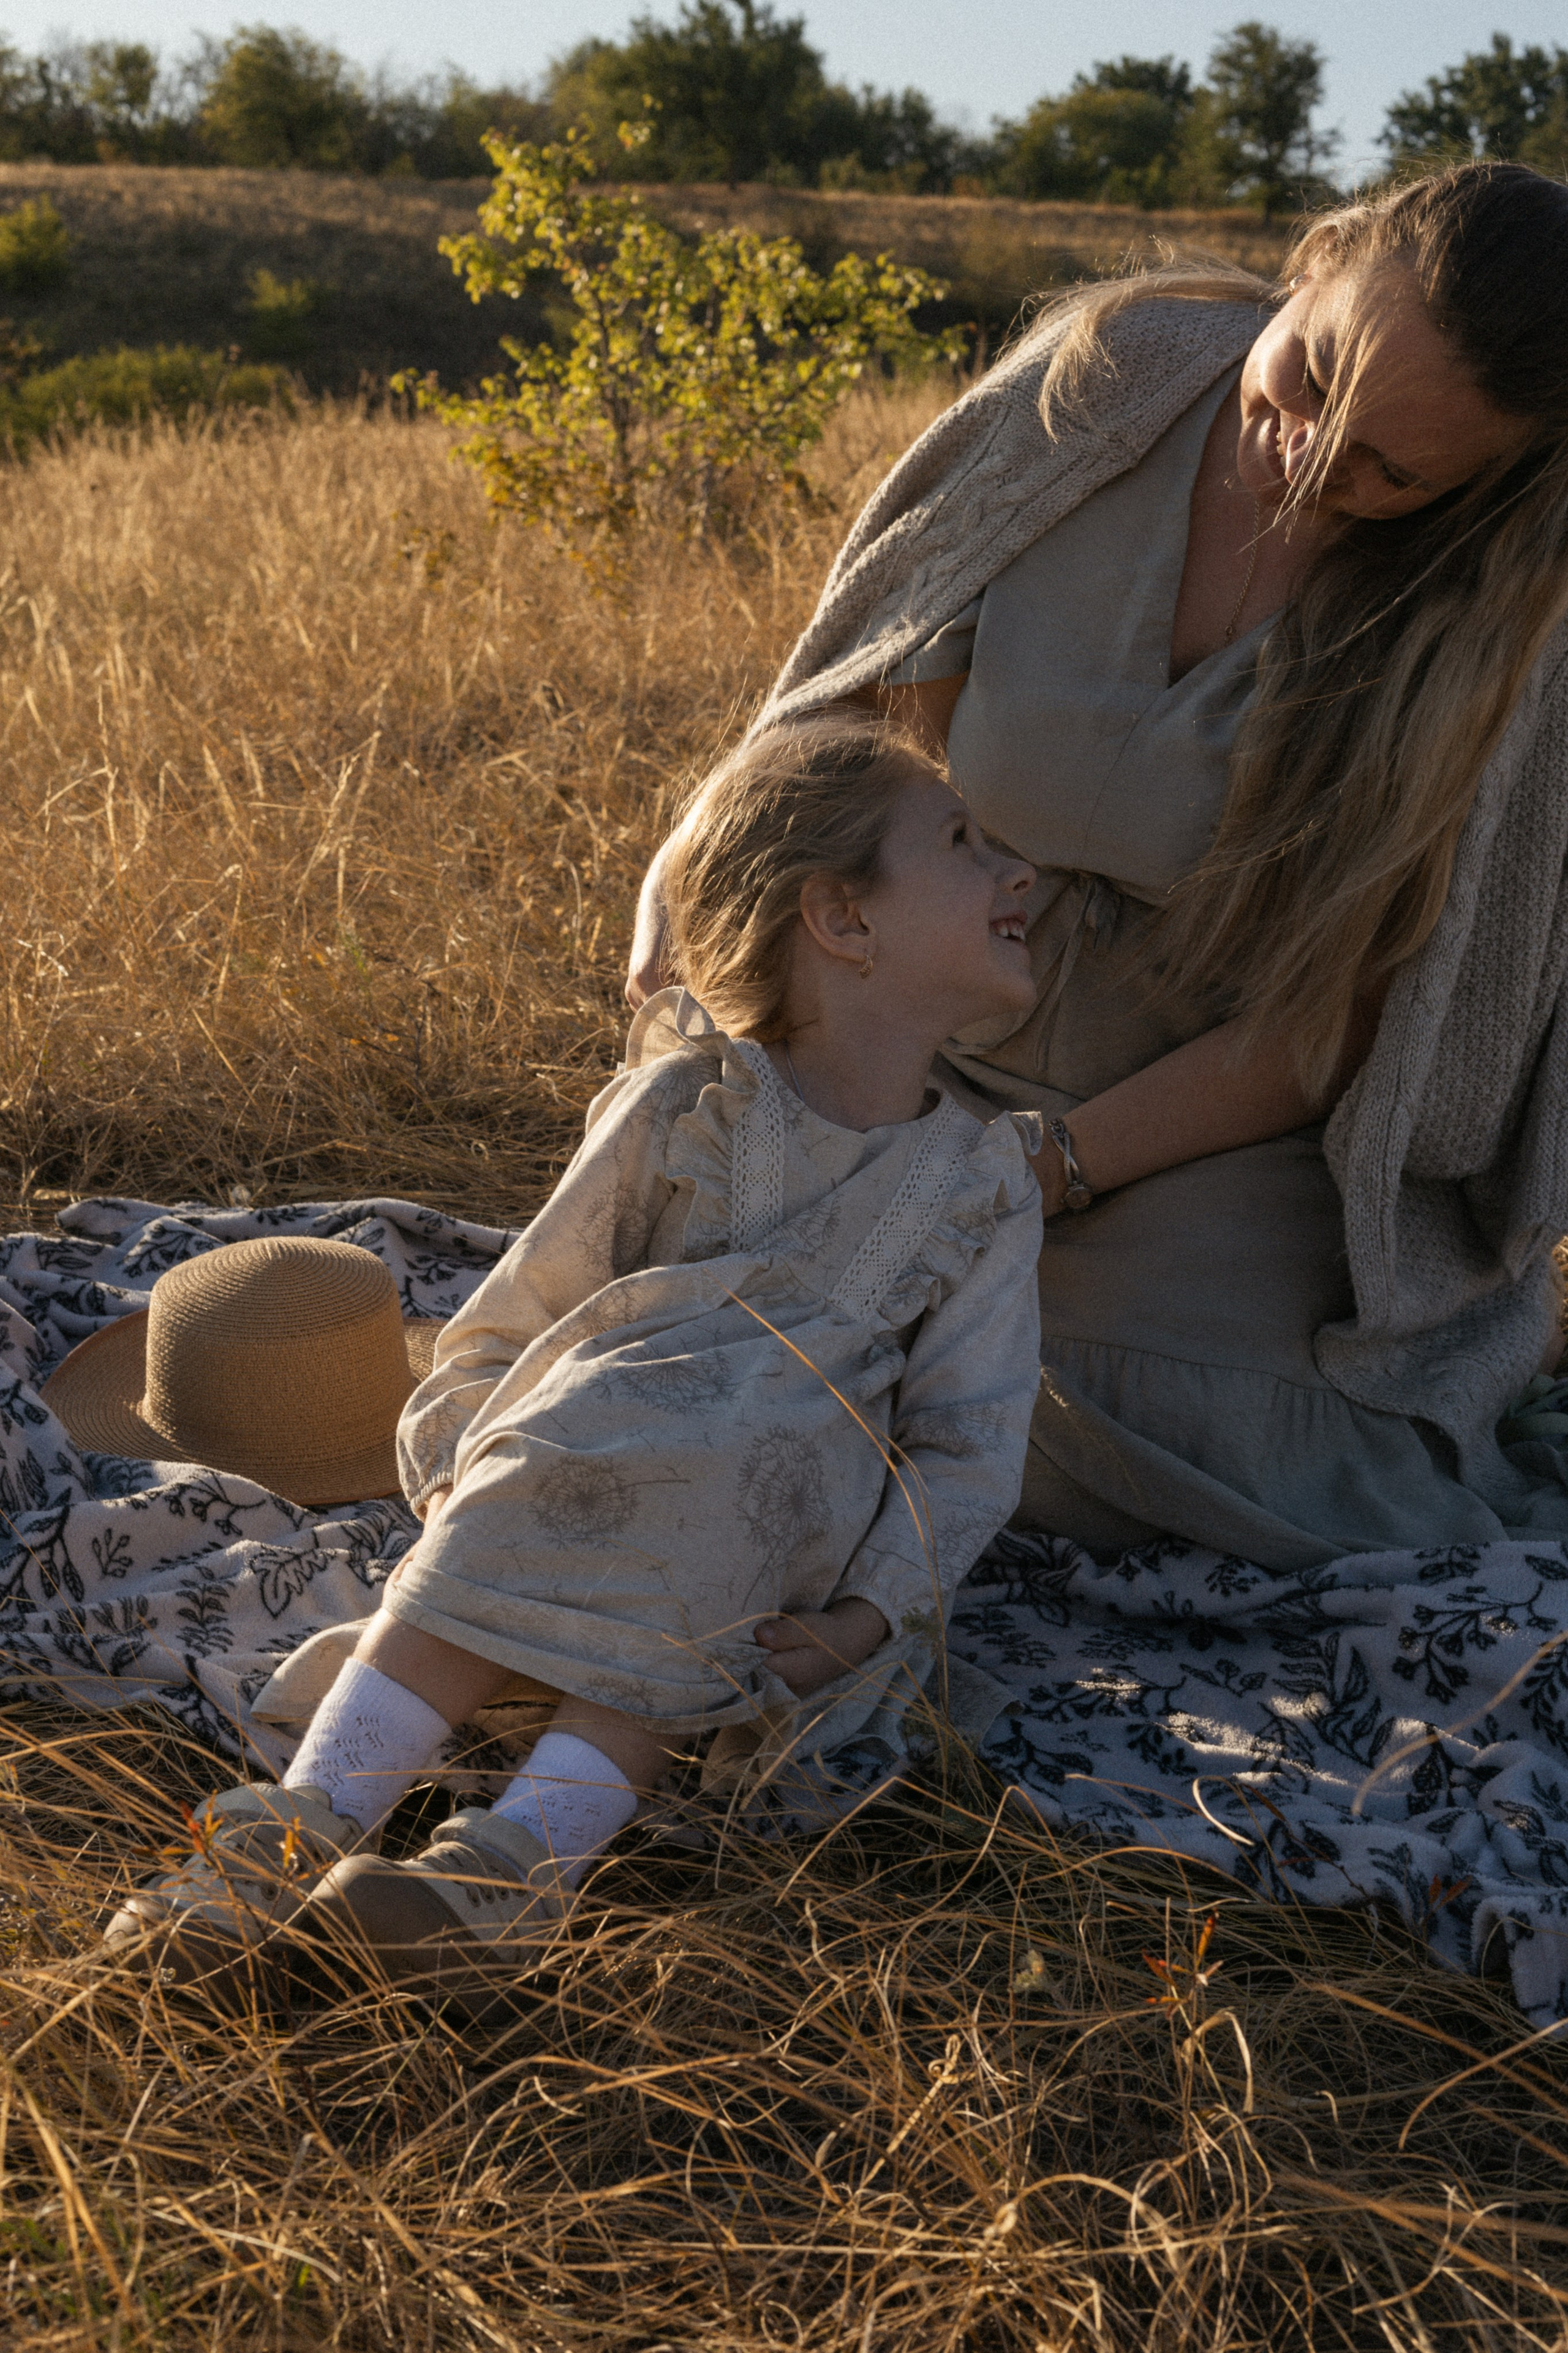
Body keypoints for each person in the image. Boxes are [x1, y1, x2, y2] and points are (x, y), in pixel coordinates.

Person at [628, 161, 1568, 1573]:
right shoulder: (1109, 386)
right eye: (1307, 377)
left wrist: (1042, 1166)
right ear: (1311, 260)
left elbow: (1361, 1017)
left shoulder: (1505, 615)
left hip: (1213, 1121)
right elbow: (868, 701)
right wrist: (705, 866)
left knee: (1126, 1413)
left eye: (1390, 468)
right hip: (912, 1015)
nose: (1302, 461)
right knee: (719, 1277)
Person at [104, 718, 1044, 2011]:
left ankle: (507, 1874)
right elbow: (523, 1308)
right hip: (572, 1472)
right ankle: (292, 1828)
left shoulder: (978, 1186)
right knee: (558, 1442)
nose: (1020, 874)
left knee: (726, 1481)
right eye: (960, 842)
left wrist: (864, 1621)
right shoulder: (684, 1107)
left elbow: (965, 1441)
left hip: (769, 1537)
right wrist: (463, 1467)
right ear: (840, 918)